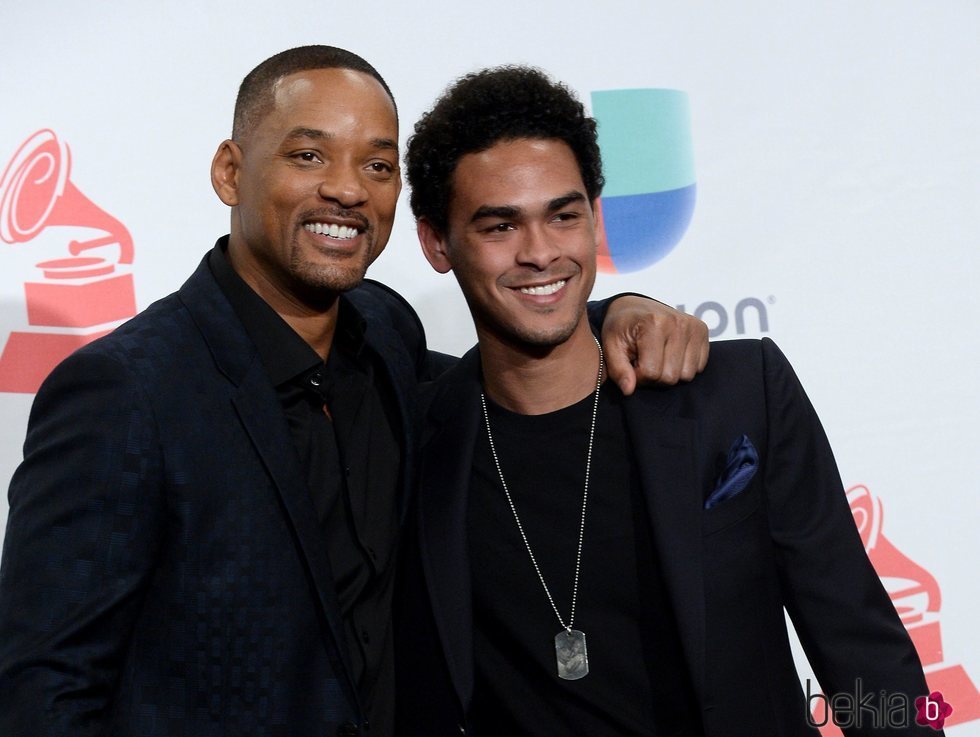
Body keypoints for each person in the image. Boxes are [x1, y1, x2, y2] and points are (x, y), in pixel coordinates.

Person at [0, 47, 708, 737]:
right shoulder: (126, 391)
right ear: (230, 171)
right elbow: (43, 689)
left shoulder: (385, 331)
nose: (347, 188)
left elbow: (510, 363)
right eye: (309, 155)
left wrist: (615, 310)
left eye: (376, 164)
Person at [396, 66, 936, 736]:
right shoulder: (411, 438)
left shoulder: (739, 391)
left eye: (562, 215)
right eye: (500, 226)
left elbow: (867, 654)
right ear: (436, 242)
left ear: (595, 219)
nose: (540, 252)